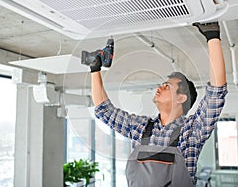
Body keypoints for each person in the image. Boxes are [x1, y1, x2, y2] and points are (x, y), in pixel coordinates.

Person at [90, 22, 227, 186]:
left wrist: (212, 37)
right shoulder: (141, 128)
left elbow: (216, 93)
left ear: (181, 98)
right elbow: (104, 110)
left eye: (167, 86)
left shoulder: (191, 131)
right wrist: (94, 69)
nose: (159, 87)